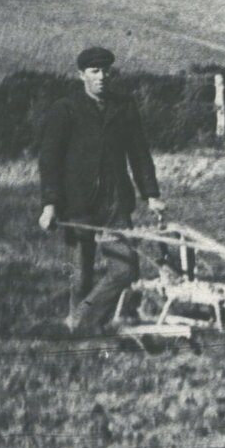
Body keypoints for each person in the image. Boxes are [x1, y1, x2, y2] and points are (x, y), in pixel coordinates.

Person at [36, 45, 165, 335]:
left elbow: (139, 152)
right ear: (81, 75)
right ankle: (85, 328)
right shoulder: (65, 109)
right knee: (80, 276)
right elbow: (49, 160)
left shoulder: (124, 105)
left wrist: (152, 194)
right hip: (77, 203)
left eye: (106, 71)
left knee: (125, 269)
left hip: (115, 203)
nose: (102, 77)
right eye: (94, 71)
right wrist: (50, 204)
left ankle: (78, 322)